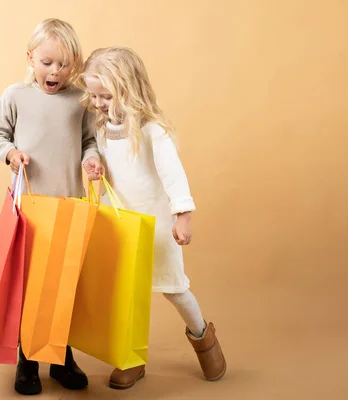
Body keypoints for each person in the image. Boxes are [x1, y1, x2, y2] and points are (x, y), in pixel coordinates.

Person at [78, 46, 226, 390]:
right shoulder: (100, 126)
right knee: (126, 293)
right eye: (94, 95)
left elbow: (173, 175)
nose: (98, 103)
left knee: (175, 290)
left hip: (157, 227)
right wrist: (94, 164)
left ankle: (204, 337)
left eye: (105, 95)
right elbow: (100, 157)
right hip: (122, 225)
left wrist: (182, 217)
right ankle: (132, 360)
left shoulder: (151, 130)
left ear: (128, 89)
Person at [0, 18, 103, 396]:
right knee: (30, 285)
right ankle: (28, 360)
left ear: (76, 66)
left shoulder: (79, 100)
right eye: (48, 62)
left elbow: (89, 140)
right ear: (31, 57)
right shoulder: (16, 96)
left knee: (64, 284)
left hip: (69, 203)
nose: (56, 71)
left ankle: (62, 358)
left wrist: (91, 158)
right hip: (30, 209)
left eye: (65, 65)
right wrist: (11, 153)